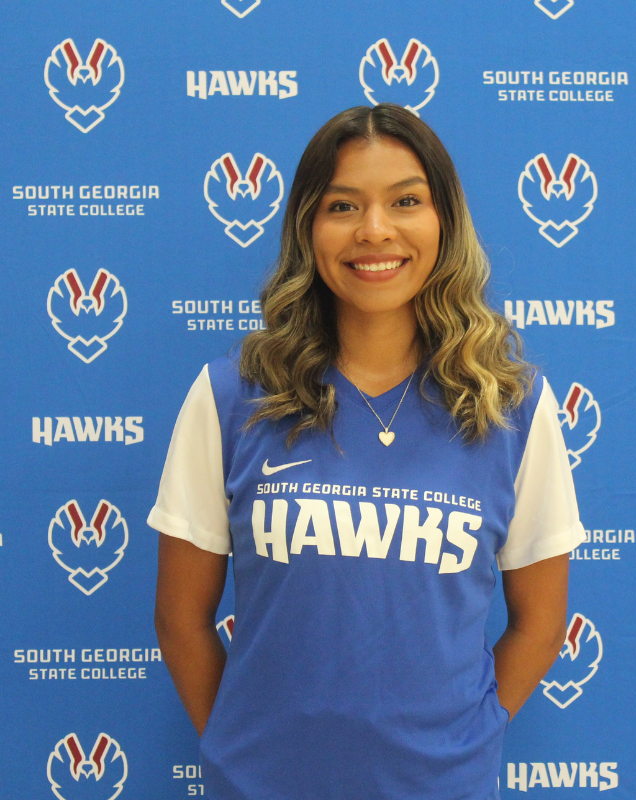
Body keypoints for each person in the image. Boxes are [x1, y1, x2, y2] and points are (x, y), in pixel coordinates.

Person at [150, 104, 585, 800]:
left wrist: (463, 746)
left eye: (406, 201)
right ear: (307, 228)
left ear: (445, 222)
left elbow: (539, 623)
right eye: (342, 205)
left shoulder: (511, 406)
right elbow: (180, 620)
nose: (375, 230)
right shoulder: (231, 396)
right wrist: (238, 752)